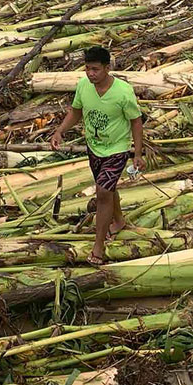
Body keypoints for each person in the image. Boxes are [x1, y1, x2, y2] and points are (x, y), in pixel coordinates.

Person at [51, 46, 144, 265]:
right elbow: (76, 111)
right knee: (108, 188)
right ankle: (119, 220)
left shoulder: (123, 92)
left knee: (102, 192)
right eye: (87, 69)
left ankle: (98, 247)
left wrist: (137, 153)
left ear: (107, 68)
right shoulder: (83, 86)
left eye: (95, 69)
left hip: (117, 149)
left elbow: (136, 121)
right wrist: (60, 131)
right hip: (94, 147)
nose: (90, 74)